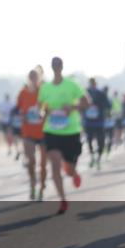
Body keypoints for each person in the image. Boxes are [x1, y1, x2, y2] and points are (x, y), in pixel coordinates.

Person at [38, 57, 88, 214]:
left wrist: (73, 106)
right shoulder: (45, 87)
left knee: (68, 170)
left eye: (59, 65)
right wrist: (44, 112)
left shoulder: (72, 85)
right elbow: (41, 107)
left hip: (71, 131)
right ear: (52, 67)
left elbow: (86, 102)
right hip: (51, 131)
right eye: (54, 65)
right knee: (54, 165)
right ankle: (63, 200)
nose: (56, 67)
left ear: (62, 67)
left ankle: (74, 173)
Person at [16, 69, 47, 200]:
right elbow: (18, 109)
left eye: (36, 77)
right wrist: (22, 115)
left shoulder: (44, 92)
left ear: (39, 78)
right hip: (28, 132)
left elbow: (49, 108)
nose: (33, 79)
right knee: (31, 161)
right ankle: (33, 184)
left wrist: (43, 113)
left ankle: (42, 186)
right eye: (31, 77)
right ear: (28, 78)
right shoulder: (22, 93)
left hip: (43, 132)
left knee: (43, 164)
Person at [83, 78, 109, 169]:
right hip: (88, 122)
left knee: (100, 141)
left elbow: (108, 105)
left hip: (99, 122)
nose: (92, 85)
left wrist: (99, 106)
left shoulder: (101, 93)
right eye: (91, 83)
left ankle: (98, 158)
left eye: (93, 83)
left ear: (96, 84)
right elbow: (80, 104)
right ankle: (92, 157)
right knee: (89, 140)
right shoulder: (84, 93)